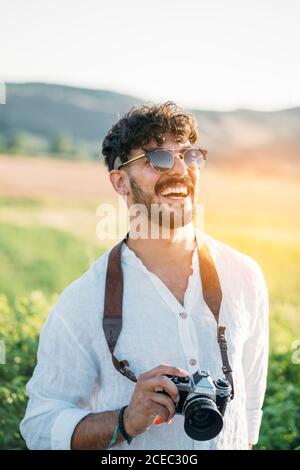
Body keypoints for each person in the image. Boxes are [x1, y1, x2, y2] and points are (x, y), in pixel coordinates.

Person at [20, 102, 269, 450]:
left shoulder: (245, 277)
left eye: (188, 155)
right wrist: (126, 420)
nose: (181, 169)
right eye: (158, 158)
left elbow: (247, 415)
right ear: (120, 181)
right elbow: (40, 428)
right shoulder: (82, 303)